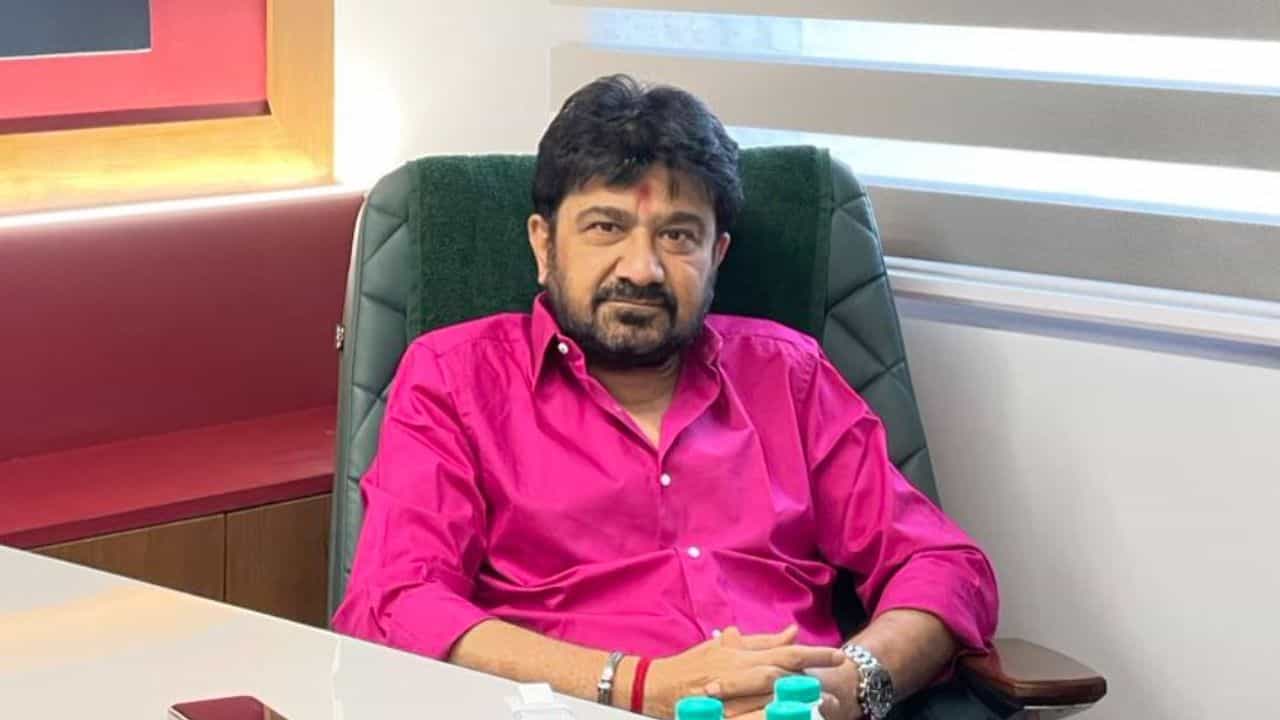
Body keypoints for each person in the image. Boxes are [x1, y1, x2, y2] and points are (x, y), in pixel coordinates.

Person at [333, 74, 1000, 720]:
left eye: (678, 236)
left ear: (718, 254)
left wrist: (853, 684)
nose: (642, 269)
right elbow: (398, 602)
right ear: (543, 243)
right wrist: (638, 685)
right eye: (605, 227)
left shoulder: (787, 374)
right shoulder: (455, 379)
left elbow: (941, 566)